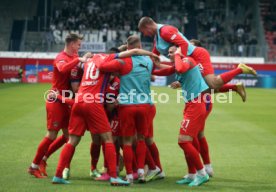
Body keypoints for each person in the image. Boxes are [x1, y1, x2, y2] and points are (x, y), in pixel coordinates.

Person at [51, 45, 159, 186]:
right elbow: (133, 53)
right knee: (108, 139)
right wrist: (150, 54)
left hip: (79, 101)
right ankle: (114, 177)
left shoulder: (91, 60)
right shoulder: (108, 60)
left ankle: (58, 175)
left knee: (72, 140)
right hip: (93, 102)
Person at [138, 16, 257, 101]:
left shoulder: (165, 31)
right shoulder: (157, 39)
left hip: (197, 56)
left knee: (213, 84)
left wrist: (183, 62)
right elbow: (153, 59)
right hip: (189, 60)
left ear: (147, 25)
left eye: (144, 31)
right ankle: (235, 87)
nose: (145, 35)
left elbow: (184, 44)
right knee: (205, 91)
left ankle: (240, 69)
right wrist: (147, 71)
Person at [96, 35, 160, 183]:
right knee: (142, 139)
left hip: (127, 105)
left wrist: (119, 52)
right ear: (140, 47)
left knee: (127, 142)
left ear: (128, 48)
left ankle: (130, 175)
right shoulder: (149, 61)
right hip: (144, 105)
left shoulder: (122, 61)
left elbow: (103, 66)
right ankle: (141, 173)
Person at [28, 33, 92, 178]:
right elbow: (63, 69)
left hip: (65, 101)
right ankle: (33, 166)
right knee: (51, 135)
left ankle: (43, 159)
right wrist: (78, 59)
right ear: (71, 44)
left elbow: (78, 65)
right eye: (78, 45)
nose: (79, 47)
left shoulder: (73, 57)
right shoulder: (61, 58)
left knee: (67, 136)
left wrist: (83, 59)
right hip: (55, 100)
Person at [153, 47, 211, 186]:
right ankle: (192, 174)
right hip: (191, 105)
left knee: (183, 141)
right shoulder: (182, 62)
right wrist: (151, 70)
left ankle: (202, 173)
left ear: (179, 52)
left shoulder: (188, 60)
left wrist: (178, 54)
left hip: (195, 105)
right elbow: (167, 70)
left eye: (171, 52)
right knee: (191, 141)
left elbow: (179, 68)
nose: (168, 54)